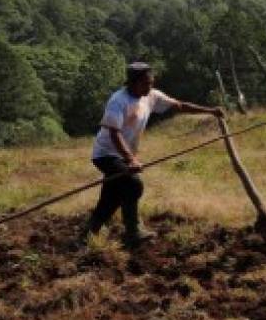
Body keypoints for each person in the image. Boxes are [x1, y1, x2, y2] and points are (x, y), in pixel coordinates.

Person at [82, 62, 224, 246]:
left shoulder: (152, 96)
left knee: (112, 195)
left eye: (151, 82)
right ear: (133, 83)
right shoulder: (118, 100)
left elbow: (179, 106)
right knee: (133, 185)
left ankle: (90, 231)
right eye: (145, 83)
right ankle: (132, 232)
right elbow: (114, 133)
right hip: (106, 154)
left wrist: (210, 111)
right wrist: (131, 159)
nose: (150, 87)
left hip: (123, 155)